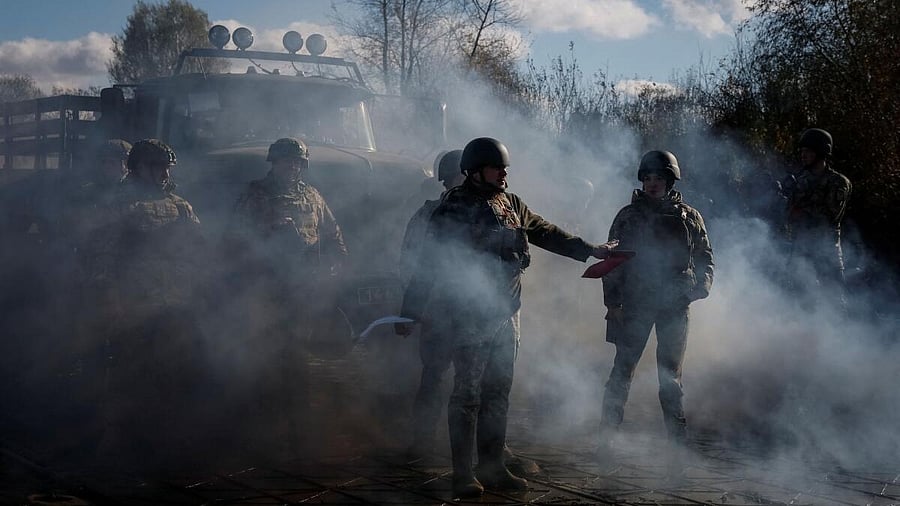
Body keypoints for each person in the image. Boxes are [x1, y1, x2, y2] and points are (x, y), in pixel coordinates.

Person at [397, 137, 617, 498]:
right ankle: (463, 473)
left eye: (504, 168)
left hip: (507, 312)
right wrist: (410, 310)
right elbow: (429, 264)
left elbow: (545, 232)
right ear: (475, 171)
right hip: (468, 315)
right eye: (496, 168)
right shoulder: (452, 209)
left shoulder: (510, 203)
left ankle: (494, 466)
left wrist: (591, 250)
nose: (503, 173)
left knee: (498, 392)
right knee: (467, 394)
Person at [225, 137, 347, 454]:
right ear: (274, 163)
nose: (292, 167)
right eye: (286, 161)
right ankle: (263, 430)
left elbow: (332, 234)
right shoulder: (256, 195)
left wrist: (334, 265)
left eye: (297, 162)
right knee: (265, 360)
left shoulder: (312, 196)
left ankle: (298, 429)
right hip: (265, 289)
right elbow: (234, 240)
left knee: (300, 359)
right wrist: (268, 230)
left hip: (303, 289)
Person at [91, 139, 207, 461]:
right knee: (127, 370)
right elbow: (101, 256)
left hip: (175, 303)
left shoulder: (180, 206)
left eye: (166, 168)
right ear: (138, 168)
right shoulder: (119, 205)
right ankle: (118, 435)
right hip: (134, 304)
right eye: (157, 167)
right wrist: (110, 297)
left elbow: (199, 249)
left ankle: (164, 434)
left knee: (172, 369)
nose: (164, 174)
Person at [599, 150, 714, 444]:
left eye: (659, 178)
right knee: (622, 371)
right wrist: (612, 303)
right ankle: (607, 436)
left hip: (675, 304)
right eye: (648, 178)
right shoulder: (628, 216)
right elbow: (613, 261)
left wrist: (701, 287)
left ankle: (677, 441)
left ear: (670, 181)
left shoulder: (689, 216)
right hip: (636, 303)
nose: (652, 183)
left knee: (670, 377)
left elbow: (704, 256)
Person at [398, 149, 465, 457]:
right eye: (461, 176)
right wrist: (416, 306)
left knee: (472, 382)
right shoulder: (428, 214)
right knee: (434, 376)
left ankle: (469, 446)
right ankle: (423, 440)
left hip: (474, 313)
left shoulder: (488, 211)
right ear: (449, 179)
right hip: (438, 309)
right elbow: (410, 263)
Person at [785, 128, 851, 297]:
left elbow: (831, 216)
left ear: (821, 152)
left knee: (834, 297)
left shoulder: (838, 182)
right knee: (793, 298)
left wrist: (801, 211)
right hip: (800, 249)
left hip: (826, 251)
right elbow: (788, 214)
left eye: (808, 151)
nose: (803, 155)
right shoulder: (800, 180)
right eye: (802, 151)